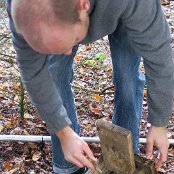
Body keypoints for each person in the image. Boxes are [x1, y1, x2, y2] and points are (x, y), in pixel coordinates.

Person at [5, 0, 174, 173]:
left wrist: (159, 123)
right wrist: (64, 133)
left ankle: (125, 163)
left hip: (118, 7)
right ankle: (68, 166)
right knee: (55, 71)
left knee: (127, 76)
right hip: (63, 18)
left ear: (83, 5)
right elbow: (34, 73)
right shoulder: (21, 8)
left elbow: (159, 55)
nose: (68, 52)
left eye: (73, 41)